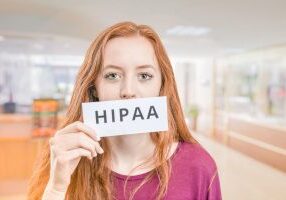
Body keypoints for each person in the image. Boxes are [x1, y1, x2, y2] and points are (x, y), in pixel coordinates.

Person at [28, 21, 222, 200]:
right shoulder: (66, 160)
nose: (128, 91)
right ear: (93, 87)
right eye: (112, 75)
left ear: (162, 86)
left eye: (144, 75)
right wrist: (56, 189)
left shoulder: (199, 166)